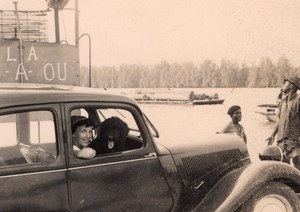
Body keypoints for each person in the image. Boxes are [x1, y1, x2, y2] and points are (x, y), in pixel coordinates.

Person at [266, 76, 300, 169]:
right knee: (283, 167)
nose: (283, 85)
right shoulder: (283, 101)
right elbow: (279, 120)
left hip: (294, 141)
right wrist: (272, 134)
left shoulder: (298, 100)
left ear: (292, 86)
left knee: (298, 165)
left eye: (286, 83)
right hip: (281, 140)